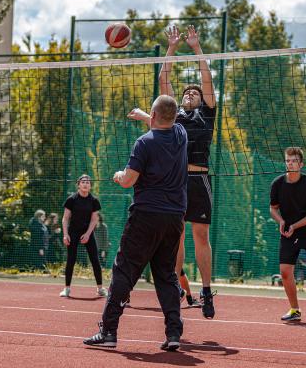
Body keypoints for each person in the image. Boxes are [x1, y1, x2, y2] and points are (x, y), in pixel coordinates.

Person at [84, 95, 188, 351]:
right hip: (174, 217)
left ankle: (108, 332)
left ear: (153, 117)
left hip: (146, 215)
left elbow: (129, 180)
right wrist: (148, 117)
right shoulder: (181, 135)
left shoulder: (144, 143)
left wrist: (120, 176)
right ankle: (174, 333)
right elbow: (167, 120)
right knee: (165, 274)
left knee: (124, 270)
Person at [128, 25, 216, 316]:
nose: (190, 94)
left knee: (199, 236)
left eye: (195, 93)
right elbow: (163, 79)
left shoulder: (207, 112)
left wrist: (196, 47)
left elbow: (205, 78)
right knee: (176, 236)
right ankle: (175, 288)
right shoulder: (174, 116)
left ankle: (206, 289)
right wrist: (171, 48)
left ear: (202, 98)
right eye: (186, 92)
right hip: (177, 180)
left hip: (199, 178)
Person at [270, 147, 306, 321]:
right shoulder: (277, 184)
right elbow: (273, 209)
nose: (290, 163)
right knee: (285, 272)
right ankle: (295, 310)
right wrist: (282, 222)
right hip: (288, 234)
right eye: (287, 160)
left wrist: (294, 225)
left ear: (301, 164)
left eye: (293, 161)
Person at [60, 174, 108, 298]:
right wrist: (65, 235)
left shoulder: (94, 201)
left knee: (95, 260)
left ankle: (100, 288)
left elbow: (94, 220)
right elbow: (65, 218)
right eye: (83, 182)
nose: (86, 184)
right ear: (78, 184)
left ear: (90, 186)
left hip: (88, 232)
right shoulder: (71, 199)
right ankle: (67, 289)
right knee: (71, 259)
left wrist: (87, 234)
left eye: (88, 182)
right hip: (73, 232)